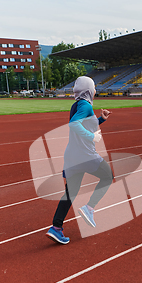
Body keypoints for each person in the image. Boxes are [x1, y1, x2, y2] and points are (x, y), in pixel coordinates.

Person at [46, 76, 113, 244]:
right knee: (107, 177)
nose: (96, 91)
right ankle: (89, 208)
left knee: (71, 192)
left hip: (72, 156)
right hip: (85, 155)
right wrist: (92, 137)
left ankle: (56, 228)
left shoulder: (77, 105)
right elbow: (74, 124)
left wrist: (101, 120)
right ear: (89, 90)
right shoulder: (85, 105)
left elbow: (82, 125)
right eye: (94, 88)